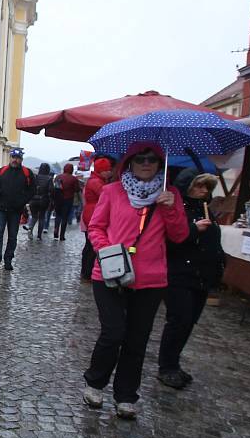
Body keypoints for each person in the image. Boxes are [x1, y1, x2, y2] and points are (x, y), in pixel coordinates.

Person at [83, 141, 190, 419]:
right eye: (140, 158)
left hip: (150, 280)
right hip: (110, 274)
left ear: (160, 164)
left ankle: (126, 395)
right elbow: (95, 227)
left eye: (152, 159)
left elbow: (180, 236)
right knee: (113, 332)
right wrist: (107, 250)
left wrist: (170, 209)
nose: (146, 163)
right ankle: (95, 382)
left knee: (136, 339)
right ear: (129, 162)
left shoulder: (170, 195)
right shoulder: (112, 191)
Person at [157, 169, 224, 389]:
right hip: (179, 274)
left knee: (189, 322)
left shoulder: (205, 209)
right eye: (199, 186)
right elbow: (173, 239)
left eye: (207, 187)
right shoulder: (178, 209)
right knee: (179, 320)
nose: (204, 191)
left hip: (201, 276)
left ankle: (173, 363)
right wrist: (194, 230)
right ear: (188, 186)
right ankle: (166, 366)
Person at [0, 149, 35, 270]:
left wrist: (22, 201)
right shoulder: (2, 171)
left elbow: (32, 190)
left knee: (12, 236)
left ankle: (8, 260)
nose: (15, 160)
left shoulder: (27, 173)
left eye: (18, 157)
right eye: (13, 157)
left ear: (21, 159)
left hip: (16, 211)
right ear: (10, 158)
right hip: (1, 209)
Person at [81, 158, 113, 280]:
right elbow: (105, 195)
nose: (109, 172)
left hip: (90, 211)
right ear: (102, 171)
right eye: (107, 170)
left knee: (89, 245)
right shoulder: (96, 182)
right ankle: (88, 272)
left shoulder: (95, 180)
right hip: (93, 213)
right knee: (91, 245)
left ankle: (86, 271)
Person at [24, 163, 54, 239]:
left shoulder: (35, 177)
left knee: (34, 216)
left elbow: (30, 187)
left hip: (33, 200)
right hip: (44, 200)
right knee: (42, 217)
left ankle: (30, 228)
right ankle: (39, 235)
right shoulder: (49, 178)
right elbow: (51, 190)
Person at [53, 163, 80, 240]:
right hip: (68, 200)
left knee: (58, 216)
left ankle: (56, 230)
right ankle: (62, 235)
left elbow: (55, 187)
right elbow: (77, 189)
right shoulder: (73, 179)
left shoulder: (58, 177)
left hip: (58, 199)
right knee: (64, 218)